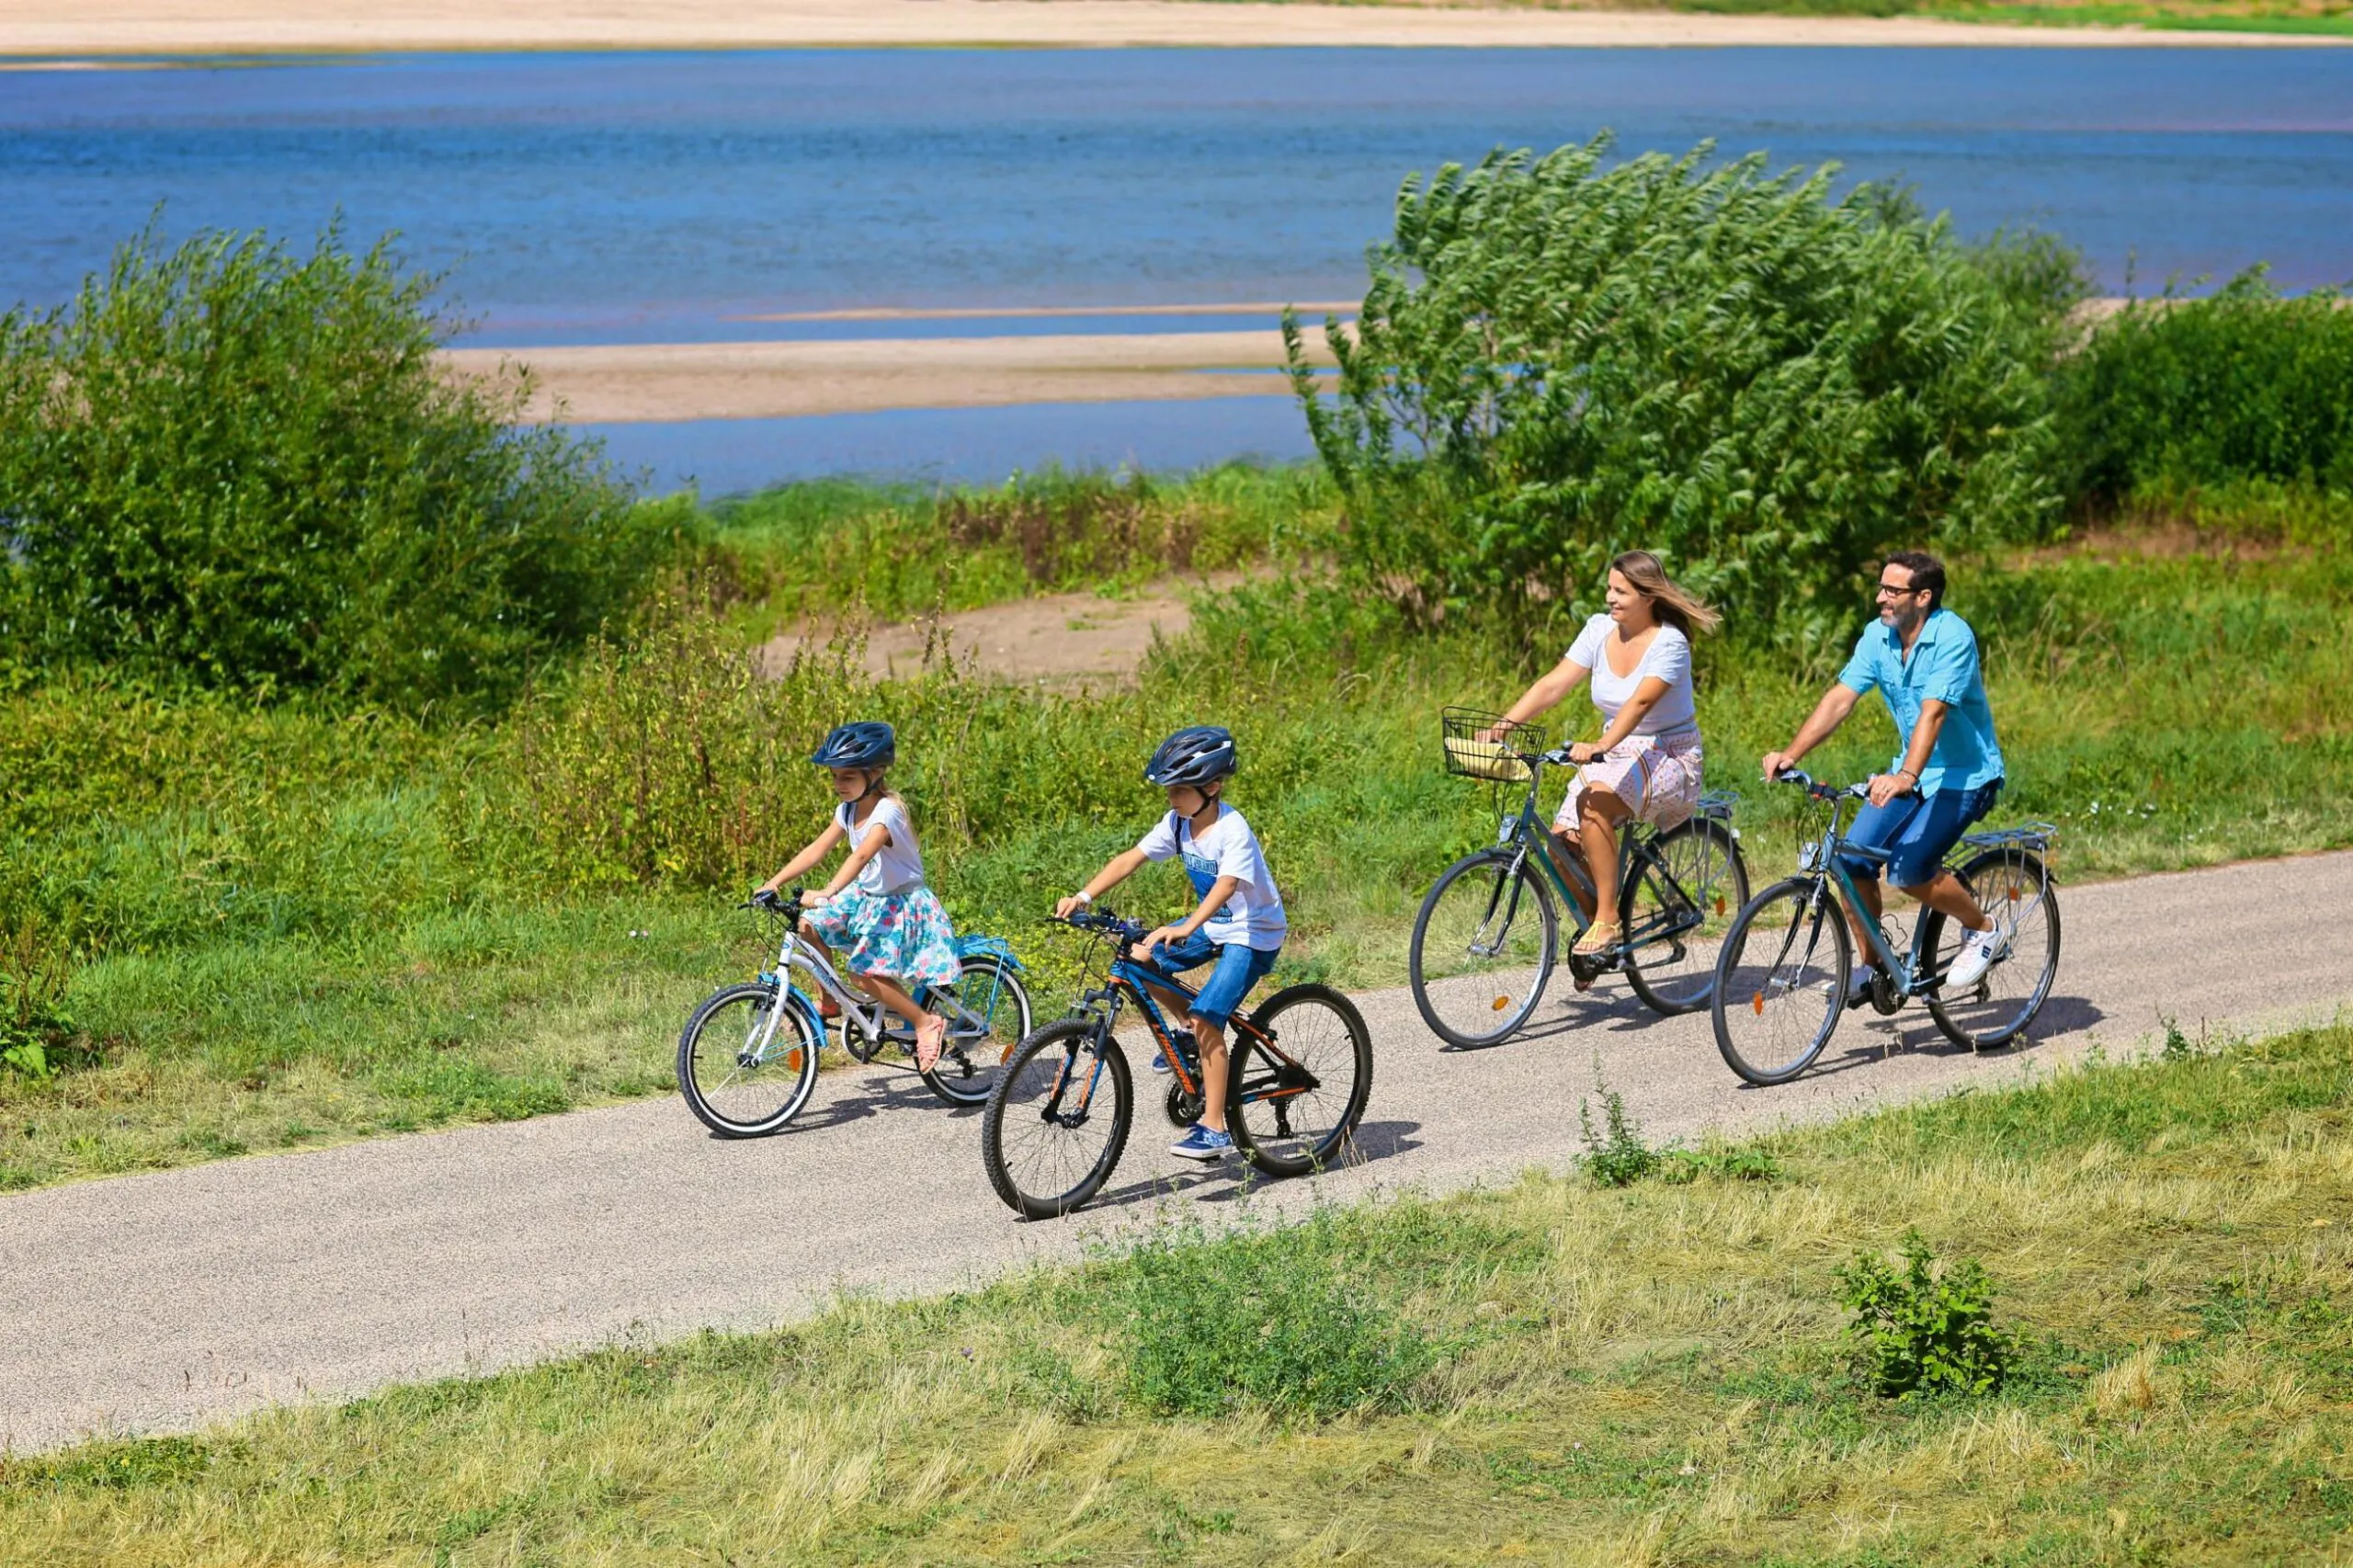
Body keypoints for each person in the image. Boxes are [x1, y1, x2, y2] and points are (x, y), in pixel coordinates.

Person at [1759, 551, 2008, 1001]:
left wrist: (1907, 775)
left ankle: (1984, 927)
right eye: (1881, 588)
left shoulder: (1953, 637)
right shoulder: (1879, 637)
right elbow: (1841, 697)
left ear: (1924, 596)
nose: (1880, 598)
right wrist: (1792, 754)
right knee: (1851, 862)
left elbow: (1933, 713)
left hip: (1964, 776)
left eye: (1892, 590)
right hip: (1910, 771)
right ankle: (1875, 967)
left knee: (1909, 869)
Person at [1055, 725, 1287, 1163]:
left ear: (1212, 786)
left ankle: (1215, 1127)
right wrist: (1083, 896)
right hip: (1215, 924)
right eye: (1168, 787)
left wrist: (1184, 927)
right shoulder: (1178, 823)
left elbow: (1226, 885)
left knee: (1207, 1020)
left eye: (1179, 788)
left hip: (1252, 933)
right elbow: (1131, 858)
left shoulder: (1232, 830)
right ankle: (1185, 1033)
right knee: (1142, 957)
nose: (1171, 796)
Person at [1486, 551, 1722, 966]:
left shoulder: (1670, 642)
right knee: (1559, 845)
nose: (1610, 598)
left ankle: (1610, 918)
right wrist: (1503, 726)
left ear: (1648, 597)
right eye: (1609, 589)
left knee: (1592, 802)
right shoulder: (1599, 629)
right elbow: (1553, 684)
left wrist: (1600, 745)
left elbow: (1641, 703)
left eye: (1621, 591)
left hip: (1669, 752)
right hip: (1616, 750)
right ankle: (1598, 934)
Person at [756, 722, 961, 1071]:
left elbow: (861, 855)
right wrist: (774, 881)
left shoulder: (888, 812)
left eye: (848, 777)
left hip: (901, 904)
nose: (839, 785)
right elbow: (817, 849)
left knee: (863, 975)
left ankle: (927, 1022)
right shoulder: (848, 809)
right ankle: (829, 1003)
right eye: (835, 777)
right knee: (809, 926)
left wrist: (828, 891)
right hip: (867, 896)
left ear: (876, 772)